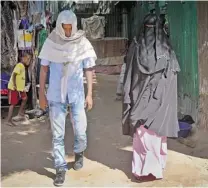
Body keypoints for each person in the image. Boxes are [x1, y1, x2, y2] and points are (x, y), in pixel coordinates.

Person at [38, 10, 97, 186]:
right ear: (59, 27)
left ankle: (79, 152)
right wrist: (41, 94)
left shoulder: (82, 43)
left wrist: (89, 94)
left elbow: (88, 68)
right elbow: (43, 69)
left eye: (71, 28)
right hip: (56, 94)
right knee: (58, 135)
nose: (68, 32)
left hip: (77, 94)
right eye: (65, 28)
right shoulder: (50, 42)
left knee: (80, 130)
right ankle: (60, 168)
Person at [122, 14, 180, 181]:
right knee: (154, 135)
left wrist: (130, 96)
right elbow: (172, 79)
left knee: (144, 136)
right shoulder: (167, 51)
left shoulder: (136, 45)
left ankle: (142, 170)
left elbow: (128, 76)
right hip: (156, 103)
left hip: (140, 100)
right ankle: (154, 169)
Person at [6, 53, 31, 126]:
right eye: (27, 58)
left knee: (25, 98)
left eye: (29, 59)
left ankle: (20, 114)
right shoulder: (19, 65)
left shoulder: (23, 66)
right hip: (14, 88)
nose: (28, 60)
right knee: (13, 104)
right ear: (22, 58)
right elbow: (14, 75)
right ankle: (8, 120)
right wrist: (14, 85)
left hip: (20, 88)